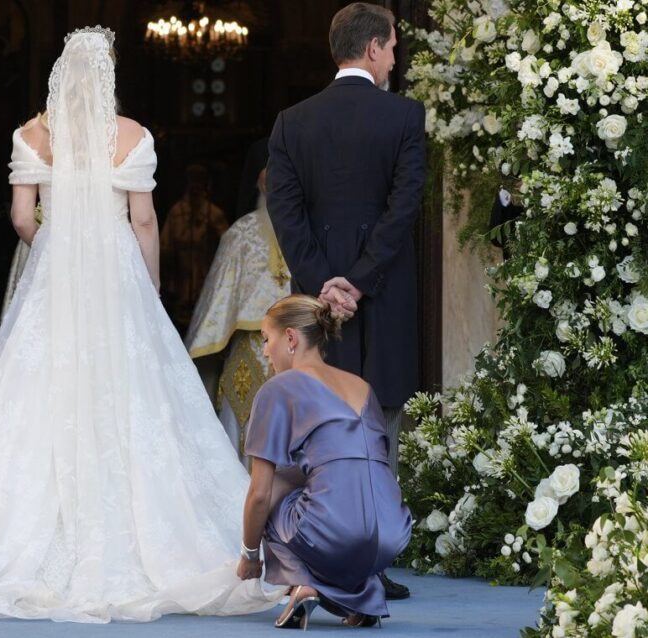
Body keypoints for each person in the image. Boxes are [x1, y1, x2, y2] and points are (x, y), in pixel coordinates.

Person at [0, 27, 281, 622]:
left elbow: (22, 218)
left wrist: (56, 245)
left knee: (32, 399)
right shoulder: (133, 137)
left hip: (54, 271)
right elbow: (145, 222)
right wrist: (148, 289)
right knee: (128, 400)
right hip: (117, 275)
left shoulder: (30, 136)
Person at [265, 2, 425, 599]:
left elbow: (285, 214)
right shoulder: (405, 115)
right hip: (379, 297)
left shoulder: (290, 122)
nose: (394, 58)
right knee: (379, 423)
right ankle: (371, 563)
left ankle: (313, 556)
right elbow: (403, 208)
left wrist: (324, 286)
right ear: (375, 48)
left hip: (316, 301)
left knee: (315, 426)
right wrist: (357, 283)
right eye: (393, 48)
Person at [236, 294, 412, 629]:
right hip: (392, 532)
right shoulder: (362, 386)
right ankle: (364, 597)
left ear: (290, 338)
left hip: (335, 531)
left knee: (273, 494)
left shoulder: (278, 389)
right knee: (308, 482)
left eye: (266, 339)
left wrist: (249, 555)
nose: (264, 351)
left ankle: (305, 584)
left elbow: (259, 494)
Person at [185, 168, 290, 462]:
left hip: (297, 351)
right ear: (259, 181)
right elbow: (216, 304)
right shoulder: (240, 233)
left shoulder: (309, 229)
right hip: (255, 354)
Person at [160, 164, 229, 331]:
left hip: (206, 278)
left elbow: (227, 246)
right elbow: (164, 246)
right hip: (181, 280)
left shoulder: (214, 214)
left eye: (199, 181)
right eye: (192, 181)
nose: (195, 186)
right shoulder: (177, 212)